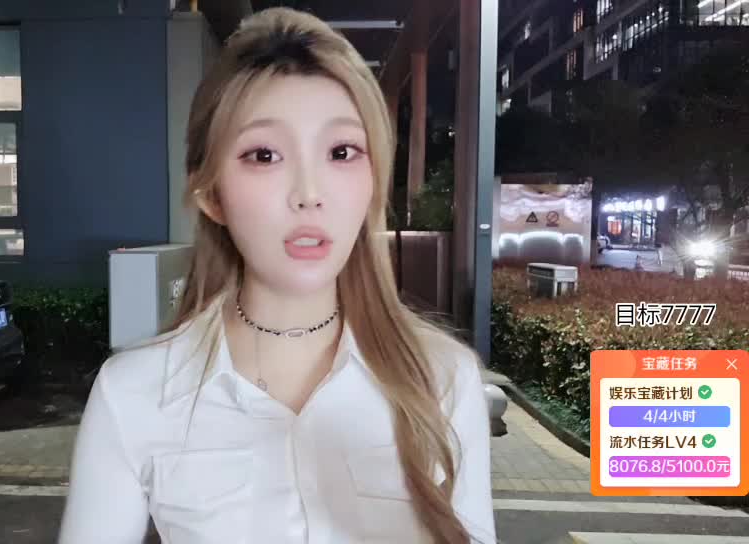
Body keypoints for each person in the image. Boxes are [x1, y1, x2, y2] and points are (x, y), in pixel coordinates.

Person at [59, 7, 496, 544]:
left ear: (373, 179)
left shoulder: (442, 378)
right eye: (264, 155)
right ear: (211, 194)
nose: (309, 193)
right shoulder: (135, 392)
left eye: (341, 152)